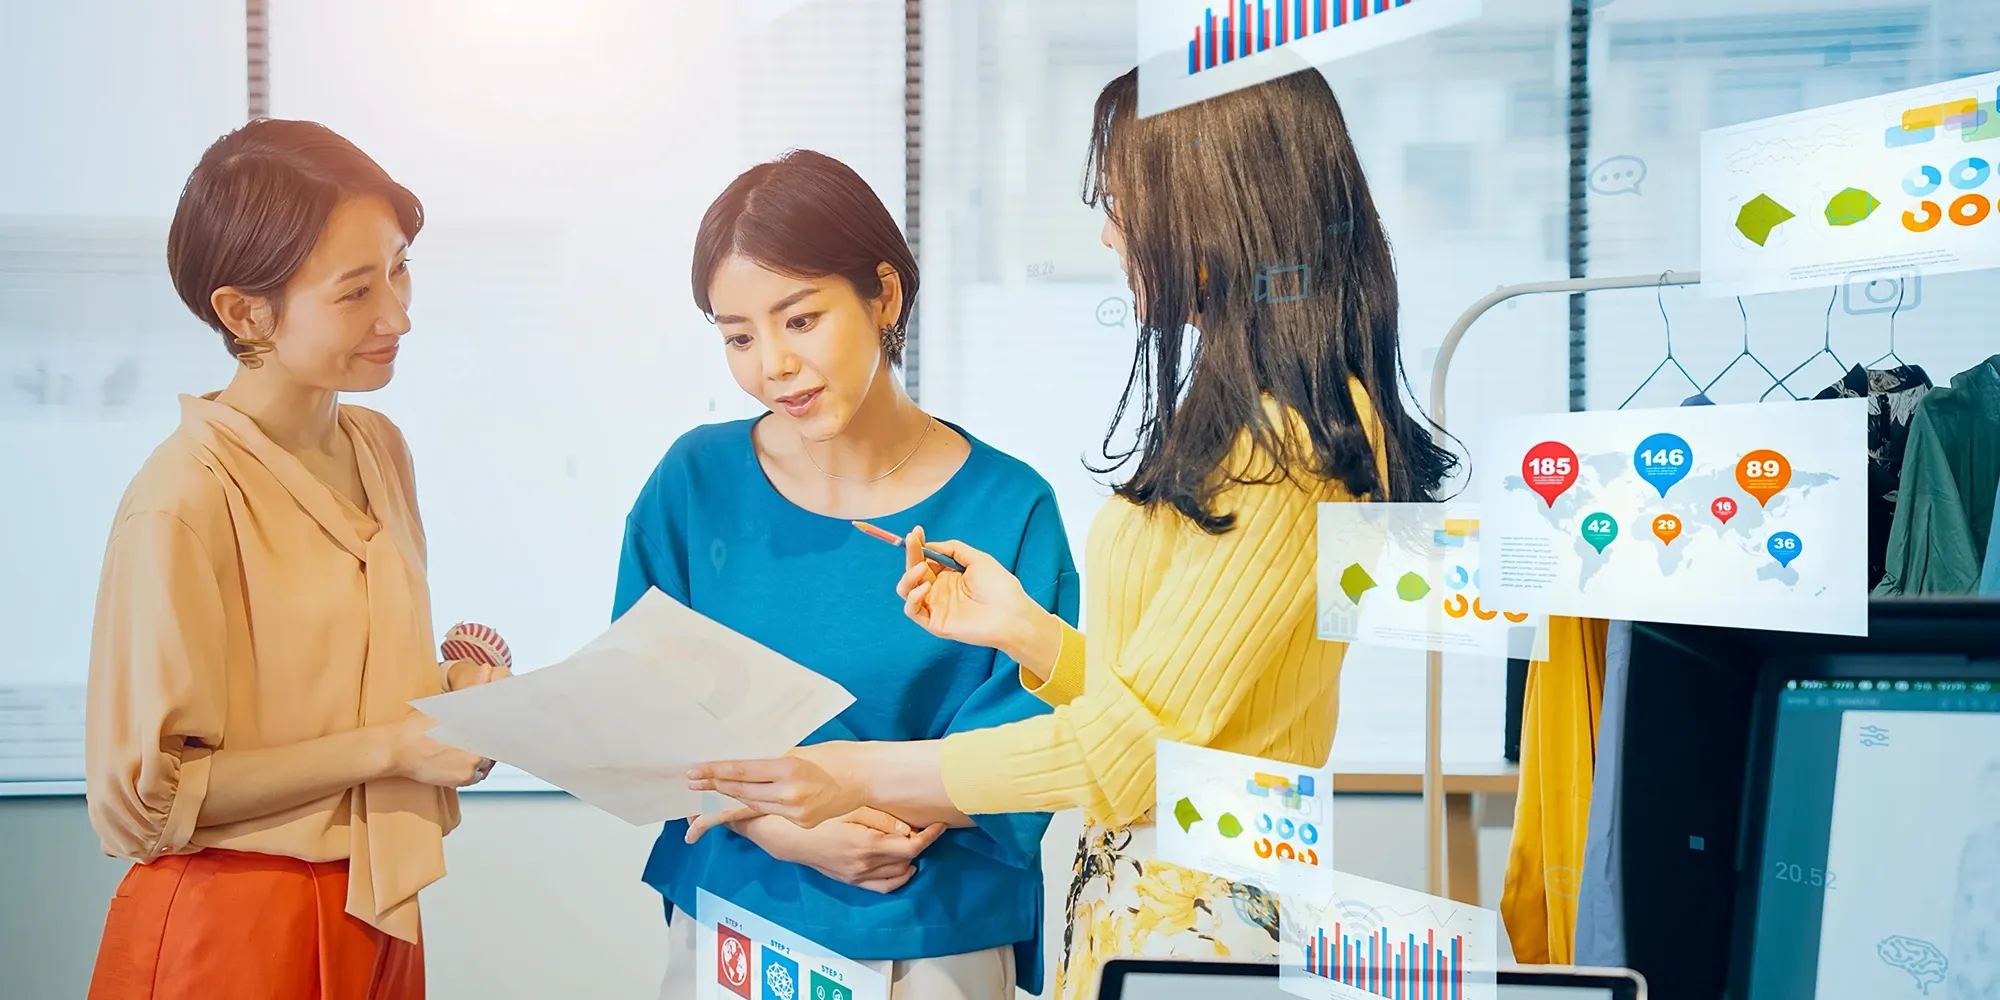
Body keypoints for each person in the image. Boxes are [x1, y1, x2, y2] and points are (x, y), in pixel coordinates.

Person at [686, 68, 1456, 1000]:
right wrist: (1029, 635)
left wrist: (854, 774)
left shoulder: (1284, 447)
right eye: (738, 335)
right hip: (1154, 896)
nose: (1110, 231)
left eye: (1126, 202)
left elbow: (1128, 755)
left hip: (1197, 914)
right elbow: (1173, 715)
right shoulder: (1247, 420)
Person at [617, 149, 1078, 1000]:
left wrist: (861, 804)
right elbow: (648, 712)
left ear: (885, 295)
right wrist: (788, 829)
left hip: (938, 927)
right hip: (740, 917)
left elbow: (1030, 750)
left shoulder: (1008, 507)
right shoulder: (694, 484)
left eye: (800, 320)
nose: (772, 365)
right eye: (739, 336)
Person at [84, 120, 508, 1000]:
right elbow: (153, 797)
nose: (398, 313)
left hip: (381, 906)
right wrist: (396, 747)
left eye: (399, 269)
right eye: (356, 291)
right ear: (244, 312)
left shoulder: (379, 447)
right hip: (230, 926)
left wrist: (453, 703)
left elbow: (323, 689)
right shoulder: (182, 498)